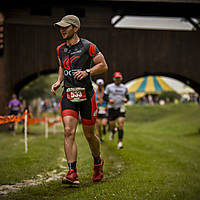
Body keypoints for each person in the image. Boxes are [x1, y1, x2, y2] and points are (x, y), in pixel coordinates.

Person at [51, 15, 108, 184]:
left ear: (75, 28)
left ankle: (97, 162)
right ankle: (72, 172)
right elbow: (62, 66)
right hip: (68, 94)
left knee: (89, 135)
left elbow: (103, 65)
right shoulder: (60, 49)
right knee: (68, 131)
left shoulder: (88, 46)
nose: (62, 30)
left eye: (65, 27)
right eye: (60, 27)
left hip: (87, 97)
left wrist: (88, 72)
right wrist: (59, 81)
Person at [104, 72, 129, 149]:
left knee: (120, 124)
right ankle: (113, 131)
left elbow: (127, 97)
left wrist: (126, 99)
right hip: (112, 108)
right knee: (112, 125)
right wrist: (109, 100)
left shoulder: (124, 87)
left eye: (119, 78)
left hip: (120, 107)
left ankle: (120, 142)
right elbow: (105, 96)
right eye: (116, 78)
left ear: (121, 79)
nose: (118, 80)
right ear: (114, 79)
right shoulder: (109, 87)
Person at [95, 79, 108, 143]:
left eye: (101, 85)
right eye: (99, 85)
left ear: (103, 85)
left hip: (104, 110)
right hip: (97, 110)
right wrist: (97, 102)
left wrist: (107, 106)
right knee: (98, 125)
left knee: (104, 123)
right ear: (97, 85)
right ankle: (100, 138)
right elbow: (92, 100)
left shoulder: (106, 92)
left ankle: (104, 128)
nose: (100, 86)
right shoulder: (94, 92)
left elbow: (108, 100)